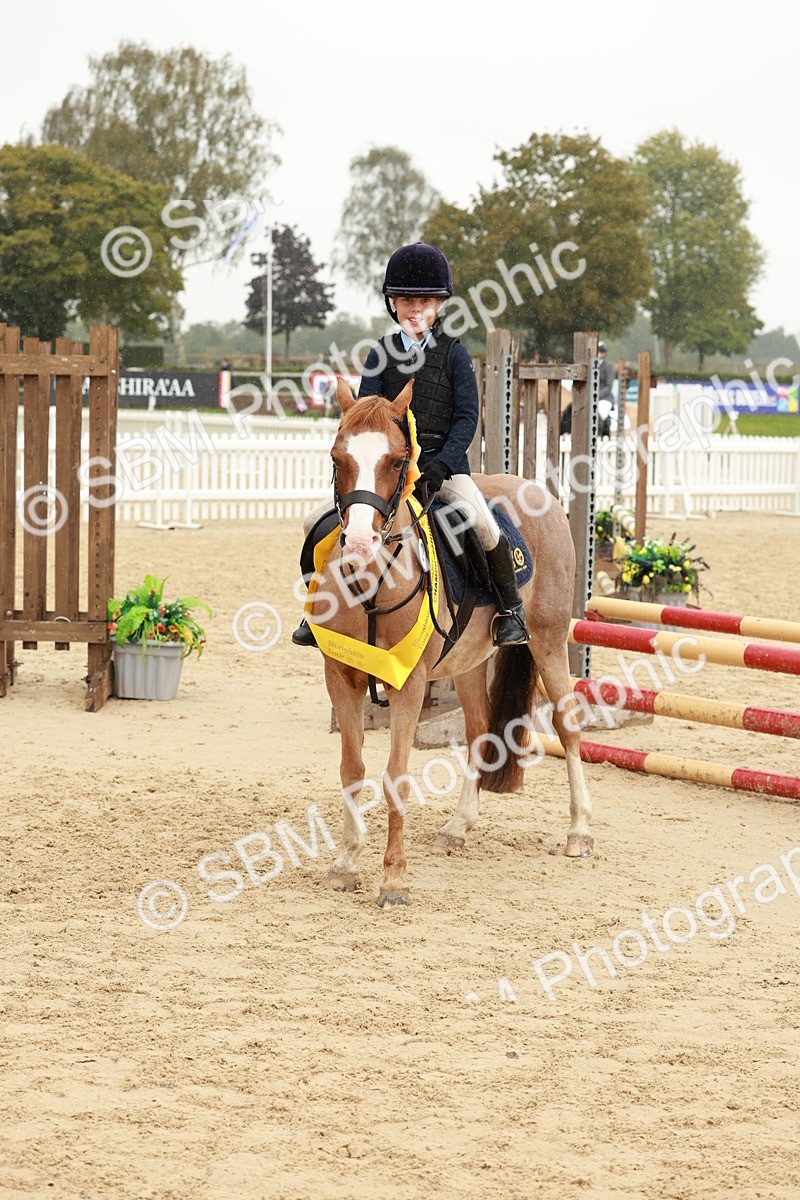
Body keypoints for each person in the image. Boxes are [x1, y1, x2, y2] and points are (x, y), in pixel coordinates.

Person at [292, 241, 529, 649]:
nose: (415, 309)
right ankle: (316, 609)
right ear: (393, 304)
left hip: (443, 469)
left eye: (424, 301)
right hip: (387, 472)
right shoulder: (380, 354)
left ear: (439, 305)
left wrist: (441, 465)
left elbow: (466, 419)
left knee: (482, 522)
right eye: (405, 300)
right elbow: (363, 416)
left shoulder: (454, 355)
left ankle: (510, 610)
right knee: (316, 525)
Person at [559, 341, 616, 437]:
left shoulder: (608, 366)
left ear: (602, 353)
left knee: (600, 413)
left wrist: (594, 396)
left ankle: (601, 434)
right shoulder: (588, 366)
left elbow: (608, 387)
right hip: (587, 397)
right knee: (570, 409)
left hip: (603, 398)